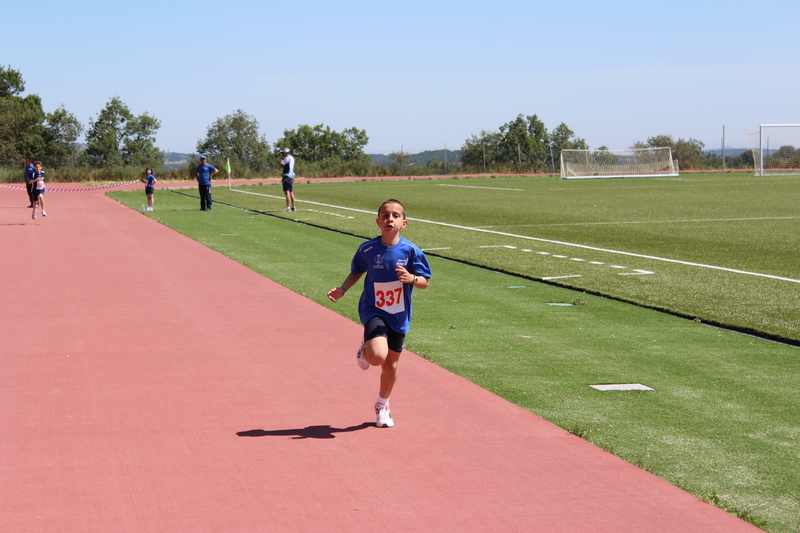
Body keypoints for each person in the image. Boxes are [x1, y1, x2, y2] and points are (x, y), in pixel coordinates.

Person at [327, 199, 432, 428]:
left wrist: (412, 278)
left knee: (390, 365)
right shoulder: (368, 249)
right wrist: (342, 289)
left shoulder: (412, 251)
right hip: (373, 309)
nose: (389, 219)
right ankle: (366, 349)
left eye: (395, 216)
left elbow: (425, 281)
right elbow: (356, 271)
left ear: (404, 223)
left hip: (399, 314)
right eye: (385, 215)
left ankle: (382, 405)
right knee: (377, 357)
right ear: (378, 222)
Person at [279, 148, 296, 212]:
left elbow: (281, 165)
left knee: (287, 192)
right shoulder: (291, 157)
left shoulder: (287, 158)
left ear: (285, 152)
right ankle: (293, 206)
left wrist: (282, 158)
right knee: (291, 191)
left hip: (287, 176)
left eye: (283, 153)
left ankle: (288, 207)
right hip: (291, 176)